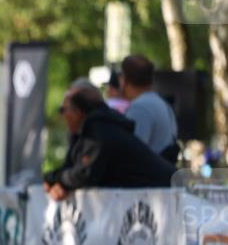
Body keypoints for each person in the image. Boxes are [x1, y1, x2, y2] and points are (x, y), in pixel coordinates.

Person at [44, 84, 176, 201]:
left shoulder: (99, 131)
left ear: (77, 112)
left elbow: (86, 175)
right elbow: (72, 169)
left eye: (63, 110)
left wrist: (56, 179)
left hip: (167, 195)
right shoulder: (84, 133)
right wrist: (58, 182)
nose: (62, 116)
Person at [120, 54, 179, 162]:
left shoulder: (139, 108)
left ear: (125, 80)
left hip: (149, 177)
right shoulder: (162, 103)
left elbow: (132, 156)